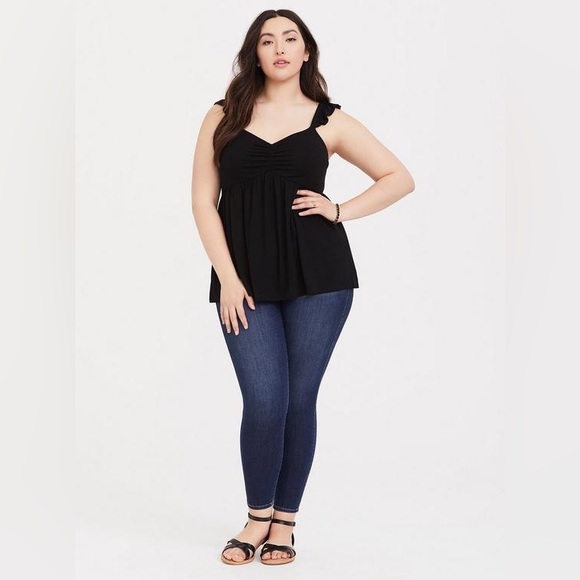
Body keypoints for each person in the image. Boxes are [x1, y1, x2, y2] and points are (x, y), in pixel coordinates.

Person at [191, 8, 415, 566]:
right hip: (243, 278)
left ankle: (283, 521)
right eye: (267, 40)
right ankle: (256, 516)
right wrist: (227, 278)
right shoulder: (222, 115)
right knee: (264, 398)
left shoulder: (330, 120)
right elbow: (202, 202)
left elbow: (398, 178)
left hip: (321, 277)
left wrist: (338, 210)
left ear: (306, 50)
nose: (279, 48)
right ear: (254, 52)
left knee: (298, 398)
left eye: (290, 39)